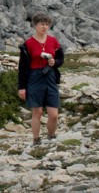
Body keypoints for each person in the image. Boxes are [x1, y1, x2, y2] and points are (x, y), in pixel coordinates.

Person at [18, 12, 64, 145]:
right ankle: (36, 139)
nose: (45, 27)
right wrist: (22, 87)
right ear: (35, 25)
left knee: (53, 114)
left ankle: (51, 136)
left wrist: (55, 62)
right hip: (34, 77)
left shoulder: (53, 41)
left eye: (47, 24)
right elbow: (23, 67)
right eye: (42, 24)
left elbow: (61, 59)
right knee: (37, 111)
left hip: (50, 77)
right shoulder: (28, 44)